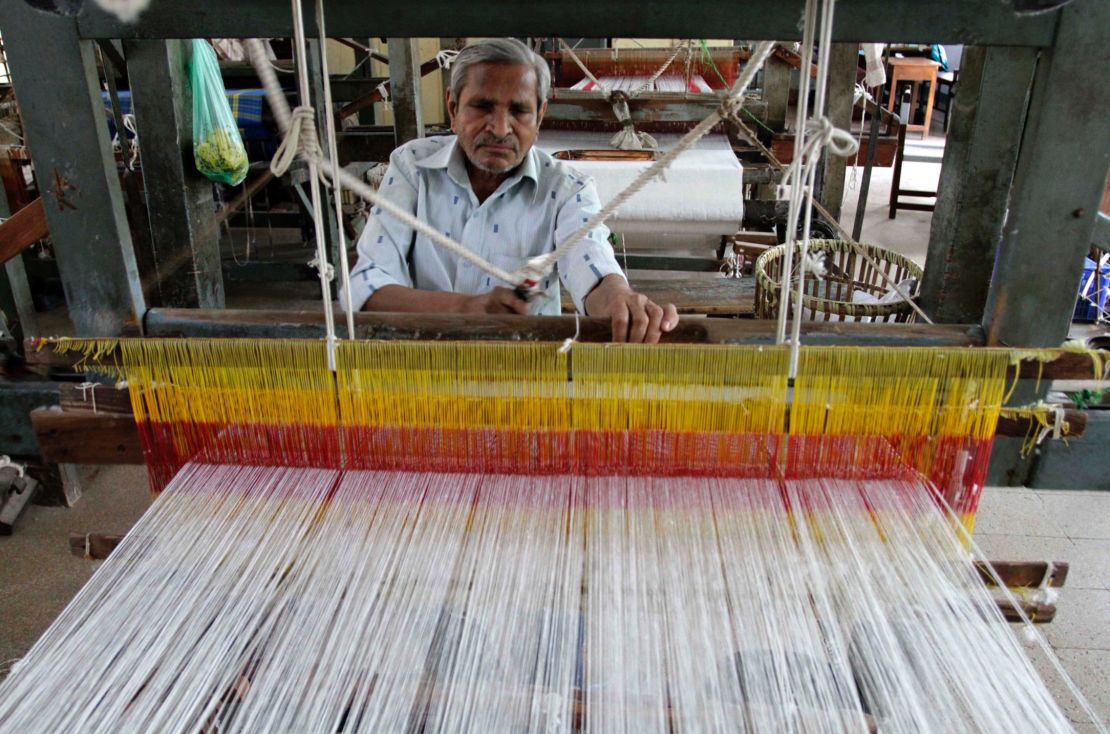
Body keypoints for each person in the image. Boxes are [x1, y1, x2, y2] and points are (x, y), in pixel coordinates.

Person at [341, 38, 679, 344]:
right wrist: (464, 309)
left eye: (519, 111)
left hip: (525, 376)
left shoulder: (566, 189)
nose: (500, 129)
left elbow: (591, 264)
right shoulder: (413, 167)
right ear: (453, 108)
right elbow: (365, 284)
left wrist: (620, 298)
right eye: (483, 107)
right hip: (421, 369)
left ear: (540, 115)